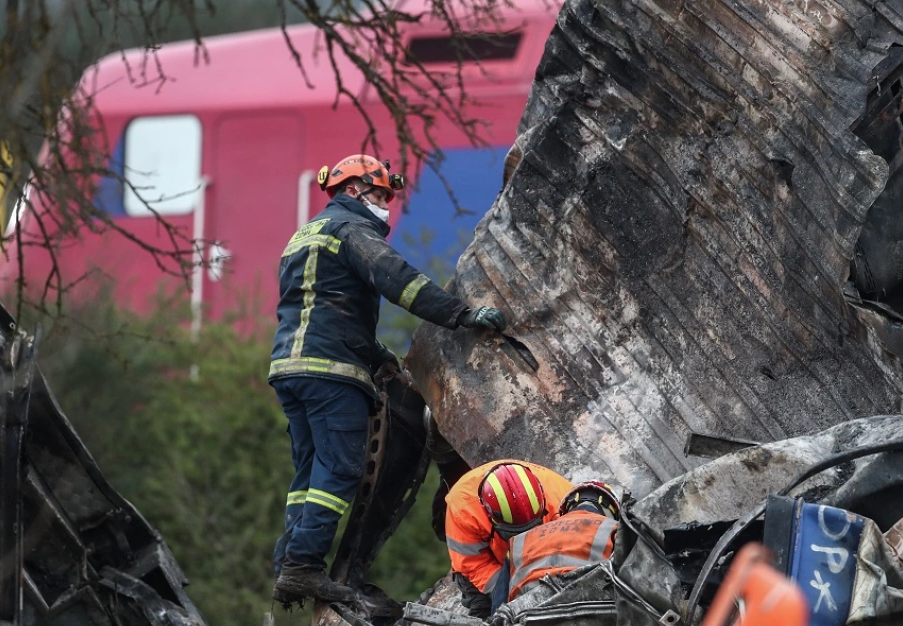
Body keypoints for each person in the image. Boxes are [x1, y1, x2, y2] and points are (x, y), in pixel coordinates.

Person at [269, 154, 507, 605]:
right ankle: (303, 567)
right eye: (379, 195)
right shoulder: (350, 230)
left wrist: (377, 354)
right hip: (331, 373)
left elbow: (320, 309)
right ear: (353, 190)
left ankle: (288, 564)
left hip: (289, 368)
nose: (385, 206)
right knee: (340, 468)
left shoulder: (303, 236)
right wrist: (461, 314)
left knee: (307, 474)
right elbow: (399, 281)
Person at [444, 461, 574, 618]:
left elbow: (579, 550)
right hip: (495, 563)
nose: (524, 541)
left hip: (551, 556)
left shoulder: (563, 500)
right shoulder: (463, 510)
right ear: (490, 516)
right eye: (514, 534)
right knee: (483, 612)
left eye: (532, 529)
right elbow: (474, 565)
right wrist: (512, 593)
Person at [506, 480, 620, 601]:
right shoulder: (615, 530)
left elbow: (498, 608)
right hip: (586, 603)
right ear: (611, 511)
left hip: (523, 609)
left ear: (567, 508)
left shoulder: (520, 540)